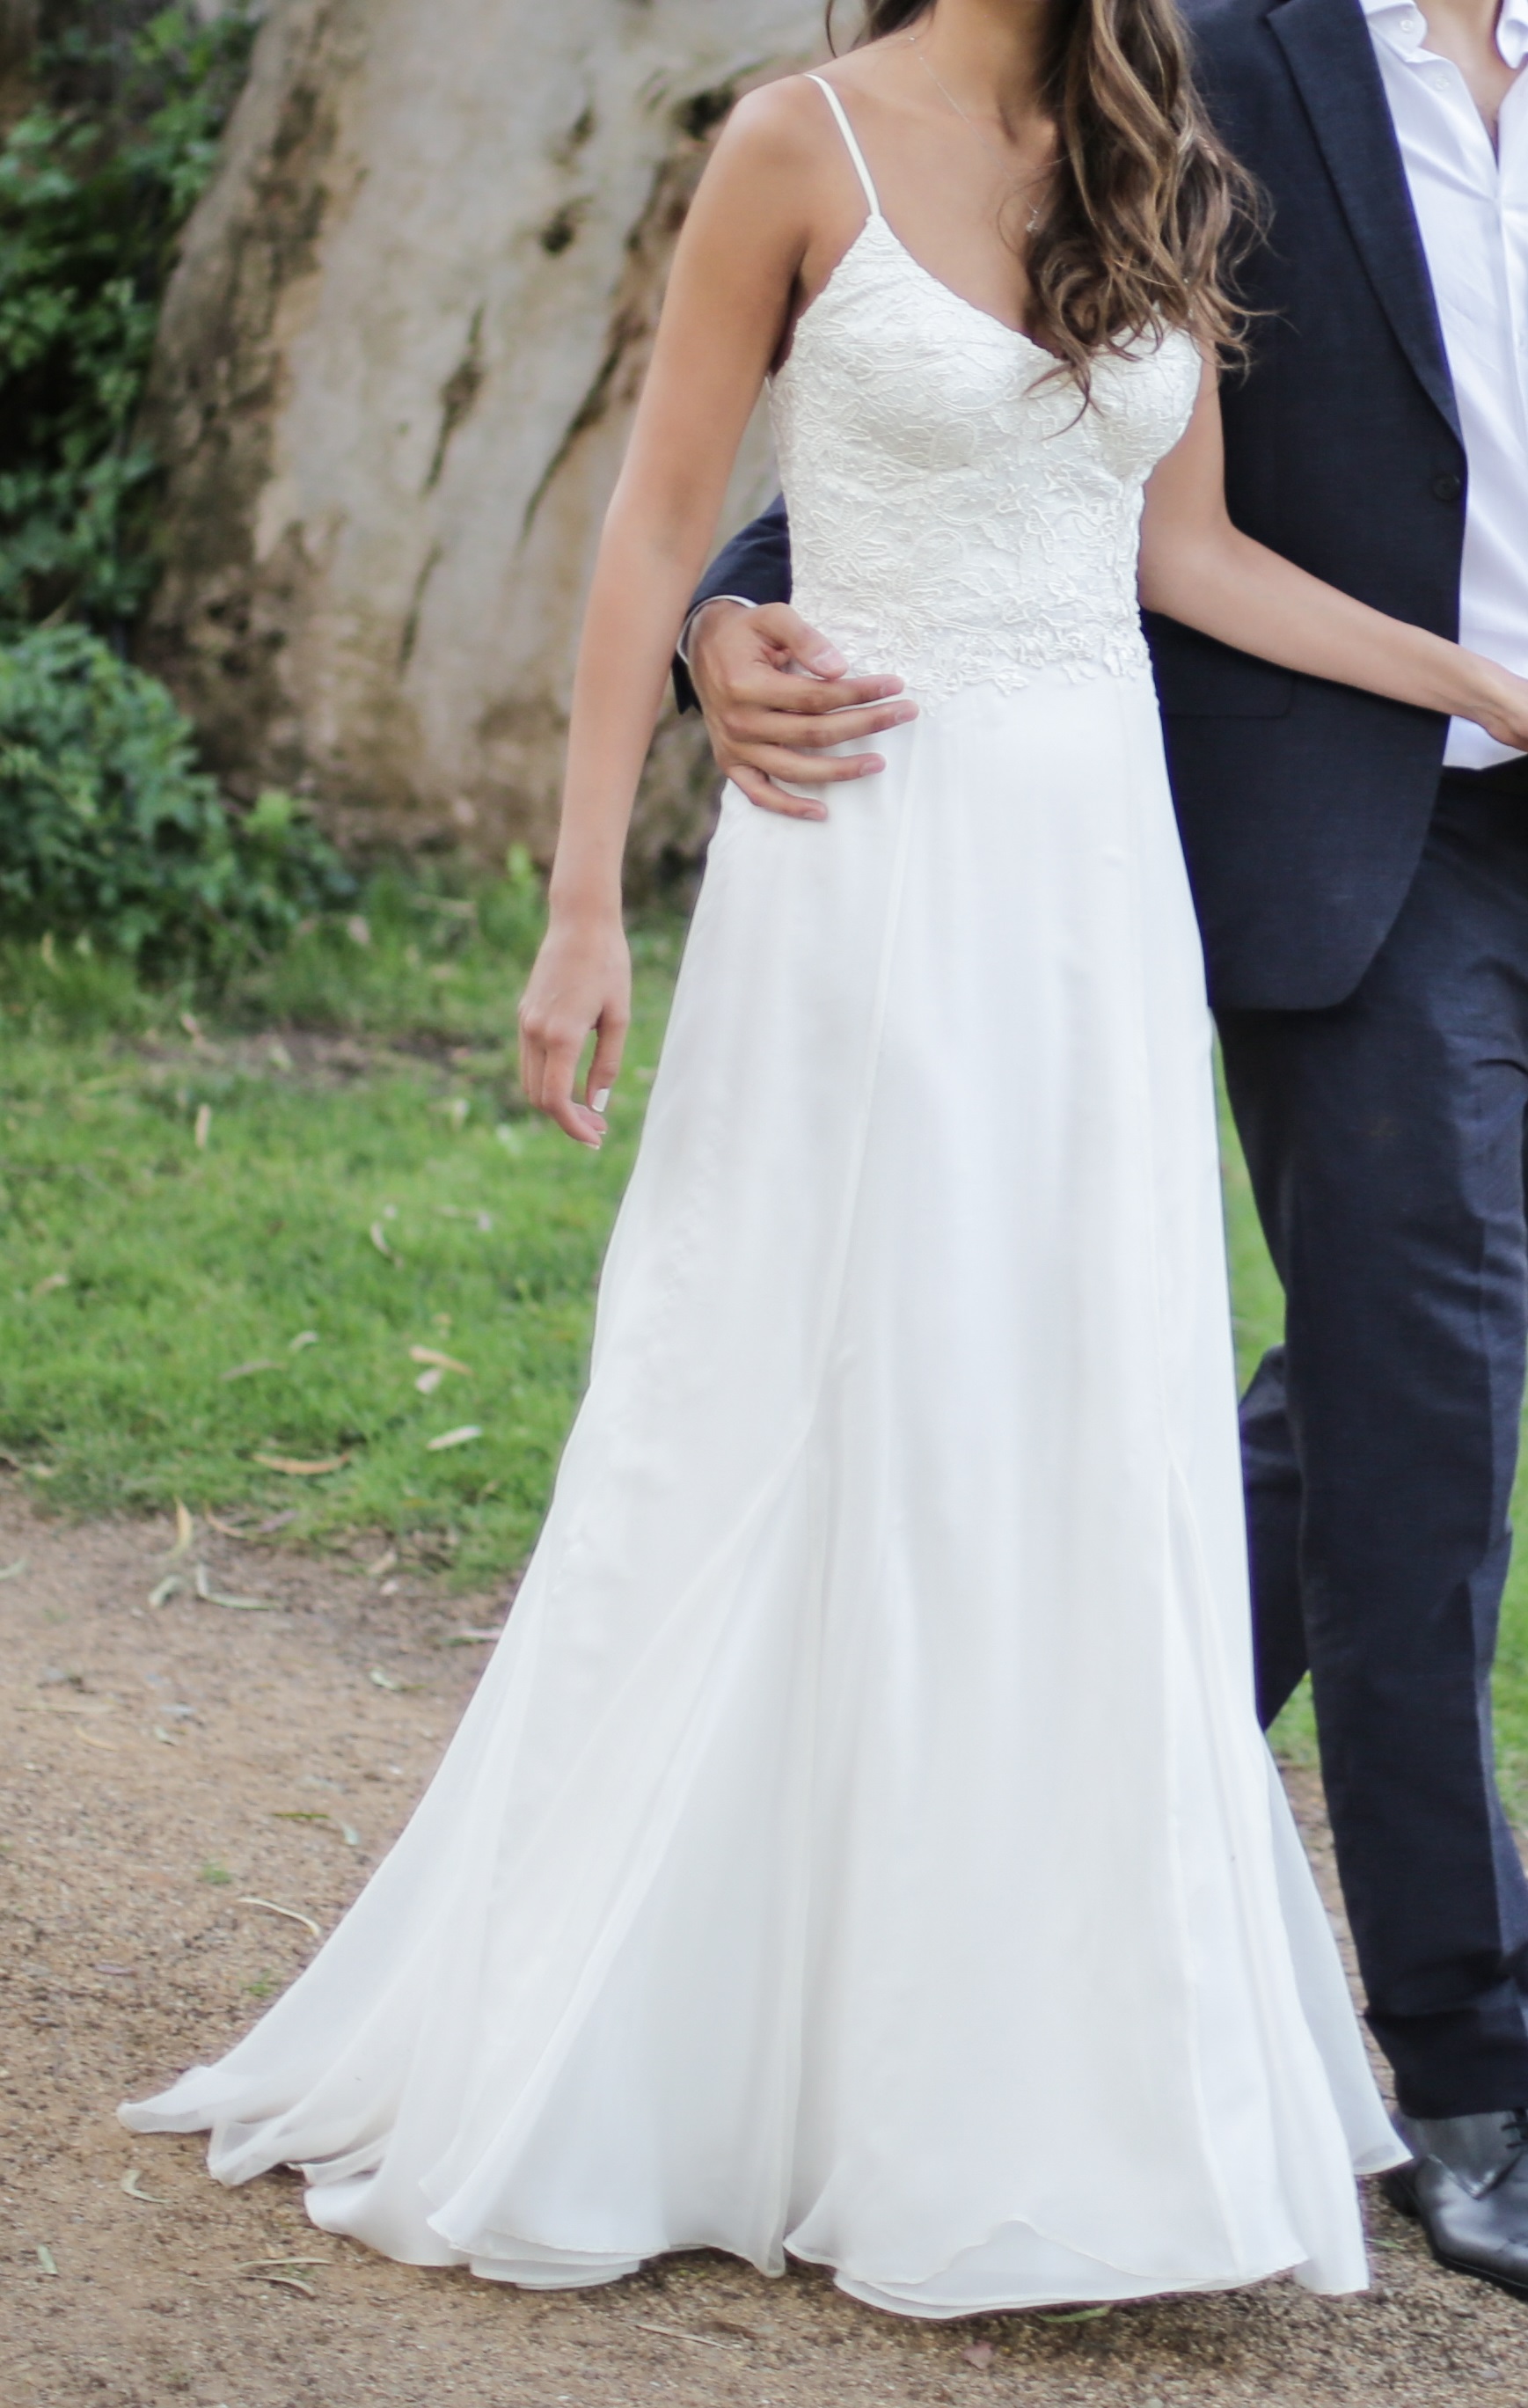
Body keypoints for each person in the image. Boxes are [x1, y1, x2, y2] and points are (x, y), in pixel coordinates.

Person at [121, 0, 1528, 2313]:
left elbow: (1170, 541)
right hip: (917, 855)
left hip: (1097, 885)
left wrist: (1482, 677)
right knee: (840, 1395)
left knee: (1090, 1427)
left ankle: (1022, 1980)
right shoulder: (847, 133)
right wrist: (604, 860)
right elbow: (689, 512)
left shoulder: (1148, 137)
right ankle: (735, 2028)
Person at [682, 0, 1528, 2307]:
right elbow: (941, 378)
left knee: (1365, 1396)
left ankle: (1024, 1819)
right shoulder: (1208, 56)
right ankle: (1471, 2061)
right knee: (1428, 1424)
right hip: (1374, 842)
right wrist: (724, 613)